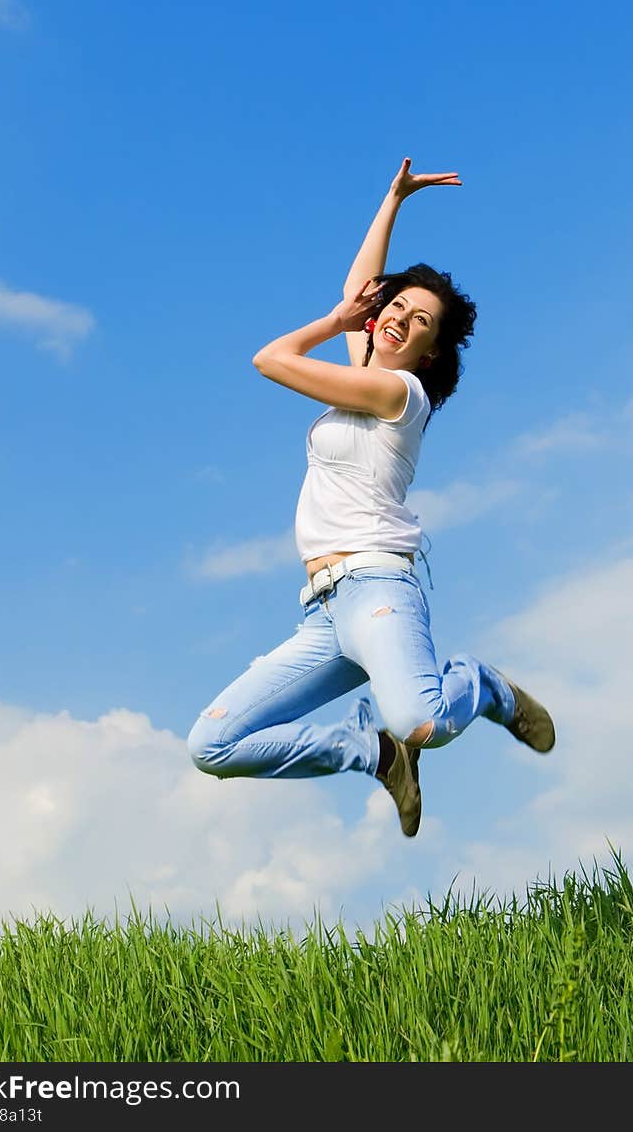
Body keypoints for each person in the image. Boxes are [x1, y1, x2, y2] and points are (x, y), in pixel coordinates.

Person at [187, 158, 555, 837]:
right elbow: (364, 289)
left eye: (420, 323)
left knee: (421, 718)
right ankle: (372, 754)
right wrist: (393, 201)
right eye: (396, 309)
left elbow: (271, 359)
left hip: (379, 586)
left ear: (430, 354)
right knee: (211, 745)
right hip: (324, 611)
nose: (398, 321)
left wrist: (335, 319)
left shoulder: (398, 394)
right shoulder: (367, 368)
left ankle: (483, 684)